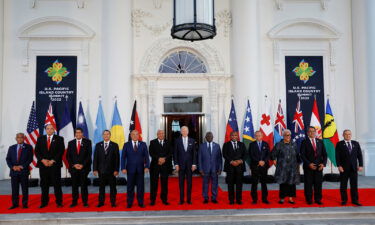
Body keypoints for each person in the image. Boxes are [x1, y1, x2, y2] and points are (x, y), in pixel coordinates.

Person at [35, 124, 65, 208]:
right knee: (44, 185)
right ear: (45, 129)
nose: (49, 130)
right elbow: (37, 151)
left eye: (51, 129)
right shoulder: (40, 139)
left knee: (57, 185)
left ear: (54, 130)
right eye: (47, 129)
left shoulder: (59, 139)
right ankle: (44, 202)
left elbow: (61, 151)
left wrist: (53, 160)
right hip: (43, 165)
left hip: (55, 165)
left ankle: (59, 202)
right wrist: (42, 160)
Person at [121, 130, 150, 208]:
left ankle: (141, 202)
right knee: (130, 187)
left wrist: (147, 166)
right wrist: (123, 167)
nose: (135, 136)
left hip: (141, 169)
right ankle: (129, 203)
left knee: (140, 187)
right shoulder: (126, 145)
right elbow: (123, 157)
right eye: (133, 134)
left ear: (138, 135)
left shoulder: (143, 144)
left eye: (136, 134)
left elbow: (146, 157)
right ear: (130, 135)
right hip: (130, 170)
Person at [336, 129, 363, 206]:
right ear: (343, 135)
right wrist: (339, 166)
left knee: (354, 185)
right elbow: (337, 156)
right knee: (343, 185)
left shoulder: (356, 143)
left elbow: (359, 155)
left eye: (349, 134)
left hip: (354, 168)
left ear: (351, 135)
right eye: (346, 134)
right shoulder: (339, 144)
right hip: (343, 169)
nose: (348, 136)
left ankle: (355, 200)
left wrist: (360, 165)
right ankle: (344, 200)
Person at [272, 129, 300, 204]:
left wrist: (298, 165)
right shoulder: (279, 144)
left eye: (289, 135)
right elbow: (273, 154)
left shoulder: (294, 144)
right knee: (283, 183)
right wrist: (275, 162)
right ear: (283, 136)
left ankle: (291, 198)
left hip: (292, 168)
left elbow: (297, 155)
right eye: (286, 135)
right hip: (282, 168)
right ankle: (282, 198)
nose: (288, 137)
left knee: (292, 183)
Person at [300, 126, 327, 205]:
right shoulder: (304, 142)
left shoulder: (320, 142)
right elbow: (302, 155)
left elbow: (324, 154)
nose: (312, 133)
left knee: (318, 184)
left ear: (316, 132)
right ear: (308, 133)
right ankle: (309, 199)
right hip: (309, 167)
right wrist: (309, 164)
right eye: (310, 131)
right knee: (308, 184)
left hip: (319, 167)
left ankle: (318, 199)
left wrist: (323, 164)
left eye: (313, 131)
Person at [6, 133, 33, 209]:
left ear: (24, 138)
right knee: (14, 189)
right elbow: (8, 159)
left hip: (23, 171)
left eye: (21, 137)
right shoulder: (11, 148)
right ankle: (15, 204)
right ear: (16, 138)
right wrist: (12, 167)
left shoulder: (28, 147)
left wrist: (21, 166)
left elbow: (30, 159)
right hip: (14, 172)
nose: (20, 139)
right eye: (18, 137)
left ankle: (25, 204)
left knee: (25, 189)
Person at [93, 130, 120, 207]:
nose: (106, 135)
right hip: (101, 170)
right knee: (101, 188)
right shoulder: (98, 145)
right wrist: (95, 169)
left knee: (113, 188)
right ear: (102, 136)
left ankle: (113, 202)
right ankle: (101, 202)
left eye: (107, 134)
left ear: (110, 135)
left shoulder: (115, 145)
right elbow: (95, 158)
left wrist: (116, 170)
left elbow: (117, 159)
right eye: (104, 134)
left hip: (112, 171)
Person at [66, 128, 92, 208]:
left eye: (79, 132)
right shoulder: (71, 143)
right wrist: (74, 165)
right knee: (74, 186)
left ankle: (85, 202)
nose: (78, 134)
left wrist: (82, 165)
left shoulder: (87, 142)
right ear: (75, 134)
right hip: (73, 168)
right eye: (76, 133)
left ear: (82, 133)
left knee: (84, 185)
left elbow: (89, 155)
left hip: (84, 168)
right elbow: (68, 156)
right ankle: (74, 202)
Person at [173, 126, 197, 205]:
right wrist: (176, 164)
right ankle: (181, 200)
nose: (184, 132)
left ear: (188, 132)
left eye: (185, 130)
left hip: (190, 166)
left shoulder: (192, 140)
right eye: (183, 131)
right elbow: (175, 153)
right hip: (180, 165)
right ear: (181, 132)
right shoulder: (177, 141)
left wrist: (194, 164)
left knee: (189, 183)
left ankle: (189, 199)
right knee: (181, 183)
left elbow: (194, 153)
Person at [198, 131, 222, 204]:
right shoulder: (201, 146)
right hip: (205, 169)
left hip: (215, 169)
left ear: (213, 137)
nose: (209, 137)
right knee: (205, 184)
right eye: (208, 136)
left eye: (210, 136)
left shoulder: (217, 146)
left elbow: (219, 158)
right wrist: (200, 169)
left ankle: (214, 197)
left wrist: (220, 169)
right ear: (205, 138)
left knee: (215, 184)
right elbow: (199, 158)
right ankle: (205, 197)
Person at [149, 129, 172, 206]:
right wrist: (158, 158)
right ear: (157, 134)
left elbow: (170, 153)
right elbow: (151, 153)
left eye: (162, 133)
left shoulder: (168, 142)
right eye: (160, 133)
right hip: (155, 166)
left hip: (165, 166)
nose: (161, 135)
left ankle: (164, 199)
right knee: (154, 184)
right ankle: (153, 200)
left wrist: (164, 159)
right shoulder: (152, 142)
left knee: (164, 184)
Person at [223, 131, 246, 205]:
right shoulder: (226, 144)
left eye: (235, 135)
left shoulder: (242, 144)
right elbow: (224, 154)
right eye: (232, 135)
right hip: (230, 167)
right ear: (230, 136)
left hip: (240, 167)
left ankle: (239, 200)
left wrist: (240, 161)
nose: (234, 136)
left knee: (239, 184)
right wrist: (231, 161)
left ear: (237, 136)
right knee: (230, 184)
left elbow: (245, 154)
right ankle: (231, 200)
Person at [249, 131, 270, 204]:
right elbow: (251, 155)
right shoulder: (252, 144)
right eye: (256, 135)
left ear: (262, 136)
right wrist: (258, 161)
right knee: (254, 183)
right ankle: (254, 199)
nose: (258, 137)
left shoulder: (266, 144)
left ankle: (264, 199)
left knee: (264, 183)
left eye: (259, 135)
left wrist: (263, 161)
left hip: (264, 166)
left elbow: (268, 154)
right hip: (255, 166)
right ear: (255, 136)